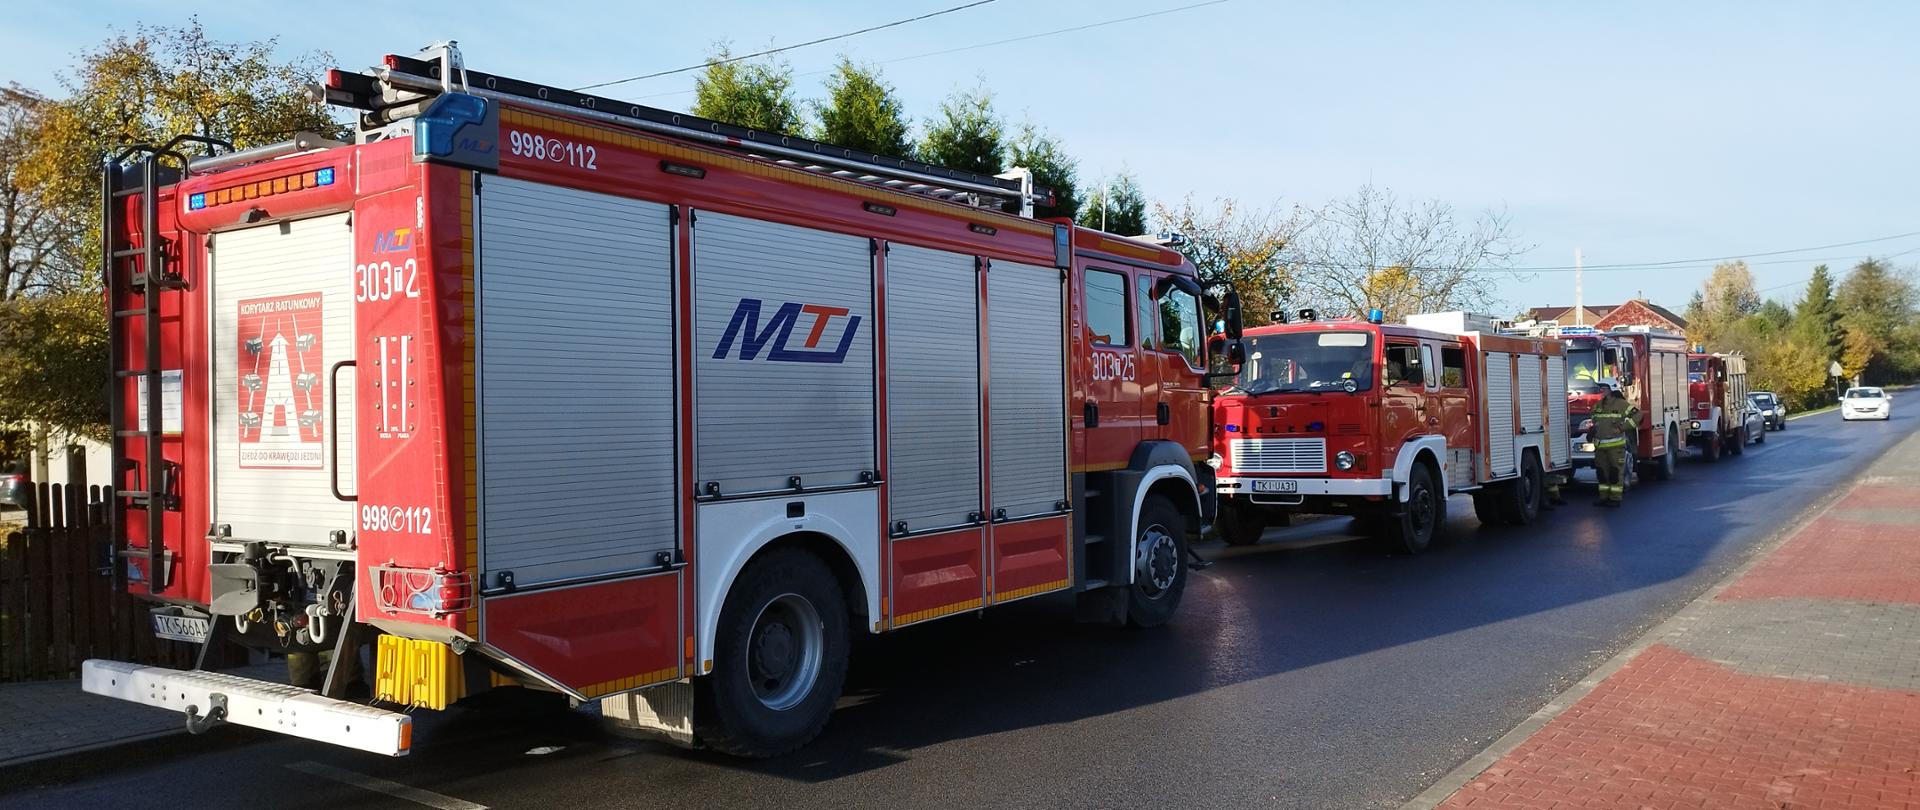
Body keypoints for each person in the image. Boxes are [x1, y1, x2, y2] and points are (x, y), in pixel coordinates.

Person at [1589, 384, 1640, 507]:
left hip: (1615, 448)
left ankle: (1615, 498)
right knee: (1602, 473)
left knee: (1615, 473)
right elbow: (1594, 421)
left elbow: (1638, 416)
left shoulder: (1621, 404)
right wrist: (1592, 432)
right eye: (1601, 388)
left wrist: (1622, 428)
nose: (1602, 391)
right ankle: (1603, 497)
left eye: (1604, 388)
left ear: (1611, 389)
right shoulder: (1598, 405)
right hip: (1600, 448)